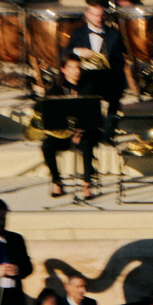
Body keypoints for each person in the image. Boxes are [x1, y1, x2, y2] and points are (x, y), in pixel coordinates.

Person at [35, 57, 105, 201]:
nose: (76, 71)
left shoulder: (89, 87)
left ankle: (87, 184)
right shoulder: (56, 89)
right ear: (63, 69)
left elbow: (94, 115)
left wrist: (81, 130)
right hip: (65, 134)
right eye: (72, 67)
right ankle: (56, 181)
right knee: (47, 145)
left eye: (78, 67)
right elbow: (42, 109)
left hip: (87, 132)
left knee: (86, 144)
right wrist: (42, 99)